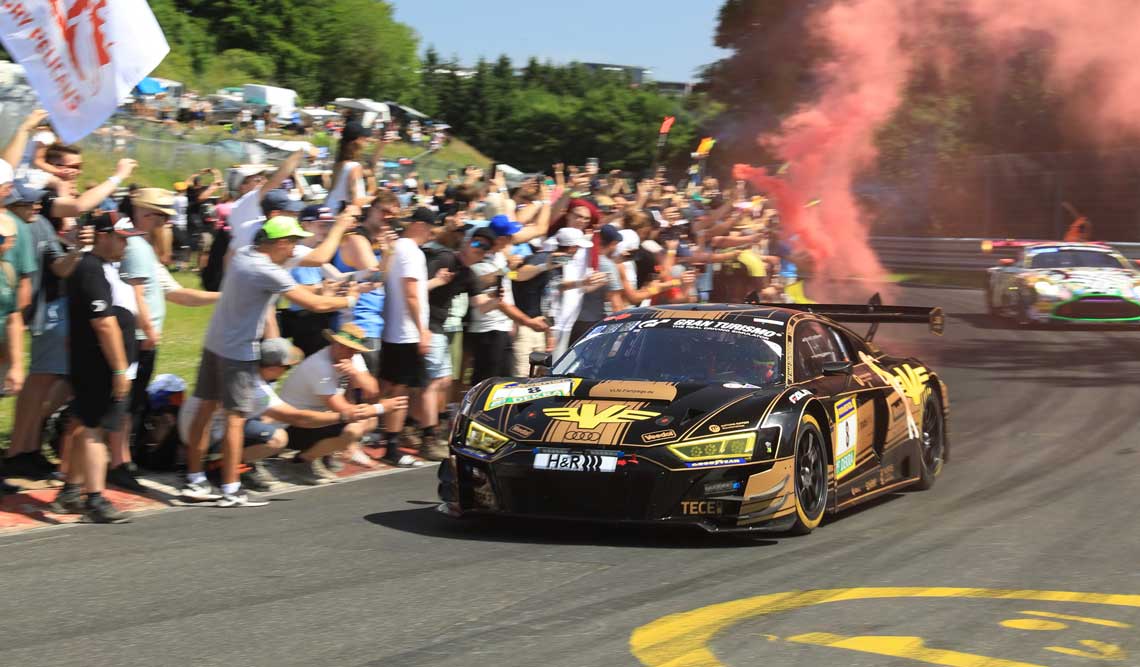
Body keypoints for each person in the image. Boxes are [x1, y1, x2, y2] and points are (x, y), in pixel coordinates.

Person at [181, 216, 362, 507]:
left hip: (214, 344)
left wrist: (323, 291)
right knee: (235, 420)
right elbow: (315, 305)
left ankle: (195, 481)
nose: (295, 248)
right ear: (279, 243)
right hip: (237, 351)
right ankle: (230, 489)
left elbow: (301, 290)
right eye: (293, 242)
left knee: (205, 410)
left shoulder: (245, 256)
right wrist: (349, 299)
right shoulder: (267, 270)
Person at [50, 213, 144, 523]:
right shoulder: (90, 269)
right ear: (103, 236)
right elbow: (104, 324)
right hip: (98, 365)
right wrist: (119, 370)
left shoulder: (106, 268)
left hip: (103, 364)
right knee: (94, 430)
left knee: (86, 425)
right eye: (121, 238)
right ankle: (95, 499)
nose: (126, 244)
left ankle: (70, 491)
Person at [1, 181, 92, 479]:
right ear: (13, 203)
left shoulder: (37, 223)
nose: (37, 207)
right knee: (34, 385)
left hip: (23, 318)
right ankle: (18, 452)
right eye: (30, 203)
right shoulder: (13, 225)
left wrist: (77, 248)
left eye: (38, 203)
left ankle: (24, 451)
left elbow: (59, 267)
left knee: (37, 385)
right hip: (19, 317)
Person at [278, 324, 405, 481]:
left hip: (317, 418)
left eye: (352, 349)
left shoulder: (352, 358)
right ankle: (302, 461)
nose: (348, 352)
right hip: (292, 425)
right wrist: (381, 408)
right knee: (354, 428)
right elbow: (343, 410)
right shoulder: (320, 366)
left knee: (369, 421)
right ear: (335, 343)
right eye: (344, 347)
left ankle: (317, 455)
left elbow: (372, 390)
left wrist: (355, 373)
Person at [379, 208, 433, 467]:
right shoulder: (411, 251)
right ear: (420, 225)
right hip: (406, 331)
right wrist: (422, 329)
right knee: (400, 390)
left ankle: (391, 438)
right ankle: (392, 445)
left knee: (392, 387)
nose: (432, 233)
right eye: (430, 227)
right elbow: (411, 293)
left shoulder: (396, 247)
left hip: (393, 328)